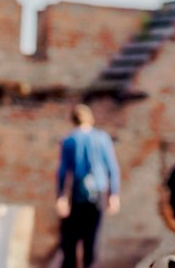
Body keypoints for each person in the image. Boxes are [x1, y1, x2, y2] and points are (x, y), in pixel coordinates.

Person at [56, 104, 121, 267]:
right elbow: (112, 167)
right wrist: (114, 194)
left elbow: (63, 171)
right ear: (90, 119)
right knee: (91, 240)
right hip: (98, 194)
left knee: (70, 240)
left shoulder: (69, 140)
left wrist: (61, 196)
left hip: (77, 194)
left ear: (73, 120)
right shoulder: (102, 138)